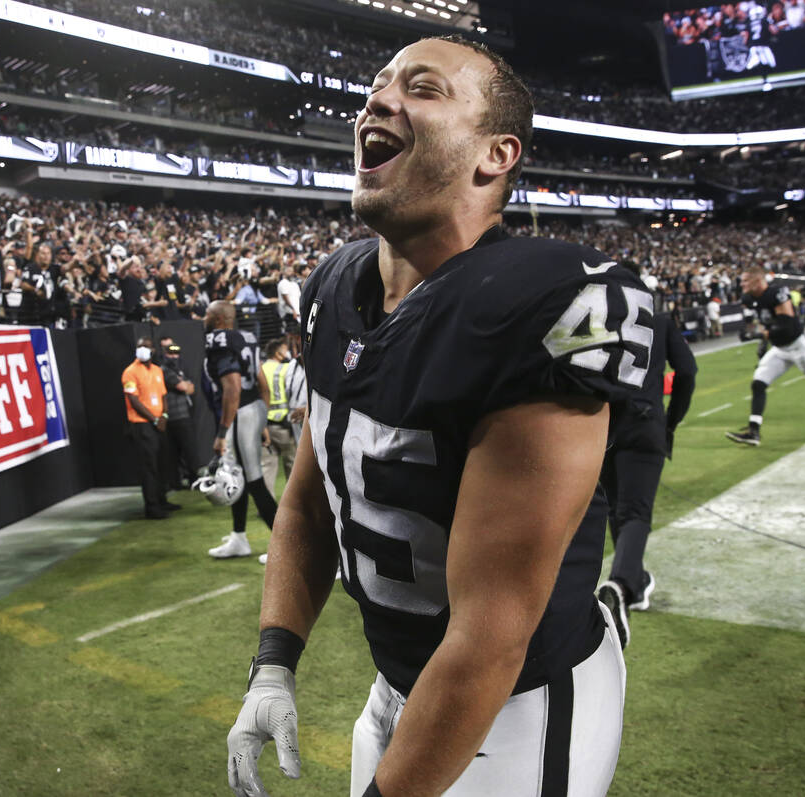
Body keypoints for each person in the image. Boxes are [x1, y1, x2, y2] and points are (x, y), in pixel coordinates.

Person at [225, 36, 647, 797]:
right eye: (378, 84)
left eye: (422, 88)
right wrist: (274, 663)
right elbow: (309, 503)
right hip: (397, 686)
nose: (378, 101)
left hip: (518, 704)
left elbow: (492, 636)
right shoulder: (332, 287)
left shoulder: (548, 302)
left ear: (496, 154)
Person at [597, 261, 697, 649]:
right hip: (644, 422)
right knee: (635, 511)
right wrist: (670, 422)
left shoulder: (599, 319)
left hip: (604, 426)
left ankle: (634, 584)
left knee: (615, 508)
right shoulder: (660, 320)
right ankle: (620, 584)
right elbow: (687, 372)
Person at [725, 266, 805, 446]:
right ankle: (754, 431)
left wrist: (760, 335)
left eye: (746, 280)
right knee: (758, 382)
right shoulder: (748, 298)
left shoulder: (776, 292)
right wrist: (761, 343)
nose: (742, 284)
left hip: (799, 344)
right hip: (780, 348)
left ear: (758, 280)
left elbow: (785, 324)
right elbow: (762, 323)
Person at [203, 300, 278, 560]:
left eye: (207, 314)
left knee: (254, 480)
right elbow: (262, 384)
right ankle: (239, 537)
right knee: (238, 477)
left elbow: (232, 388)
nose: (204, 318)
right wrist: (262, 421)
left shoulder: (218, 340)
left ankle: (286, 545)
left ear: (219, 320)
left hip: (240, 412)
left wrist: (222, 433)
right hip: (254, 408)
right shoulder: (246, 337)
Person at [121, 336, 175, 519]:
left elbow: (164, 396)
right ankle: (151, 507)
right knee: (149, 466)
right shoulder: (130, 372)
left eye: (146, 346)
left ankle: (162, 499)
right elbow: (133, 400)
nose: (142, 349)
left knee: (163, 463)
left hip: (160, 423)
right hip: (142, 425)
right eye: (140, 346)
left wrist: (164, 416)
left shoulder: (158, 370)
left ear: (153, 350)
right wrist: (154, 419)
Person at [259, 338, 305, 493]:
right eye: (285, 350)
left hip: (264, 425)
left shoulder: (260, 369)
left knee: (267, 468)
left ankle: (267, 507)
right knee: (293, 468)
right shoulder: (286, 369)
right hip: (285, 425)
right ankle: (294, 507)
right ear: (278, 353)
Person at [158, 336, 202, 491]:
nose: (173, 355)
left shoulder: (180, 368)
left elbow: (192, 388)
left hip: (183, 413)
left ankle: (191, 479)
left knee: (187, 449)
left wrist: (185, 384)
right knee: (176, 451)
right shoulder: (163, 369)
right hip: (174, 416)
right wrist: (184, 384)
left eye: (174, 351)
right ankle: (178, 481)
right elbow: (184, 387)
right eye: (168, 351)